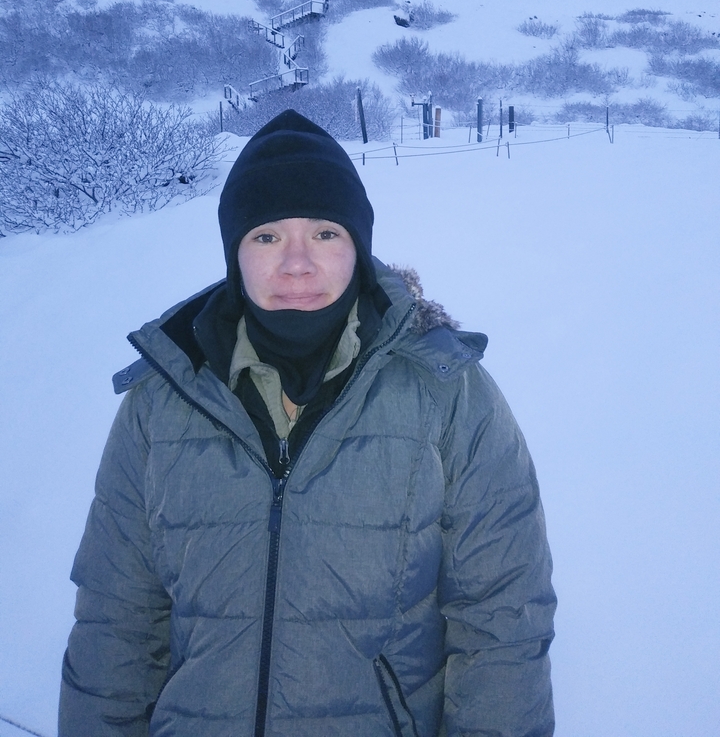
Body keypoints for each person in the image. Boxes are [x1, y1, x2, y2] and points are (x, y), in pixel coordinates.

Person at [59, 110, 556, 737]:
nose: (296, 264)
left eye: (325, 233)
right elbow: (116, 619)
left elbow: (503, 619)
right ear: (234, 253)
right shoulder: (163, 399)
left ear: (359, 247)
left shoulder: (446, 391)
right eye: (266, 236)